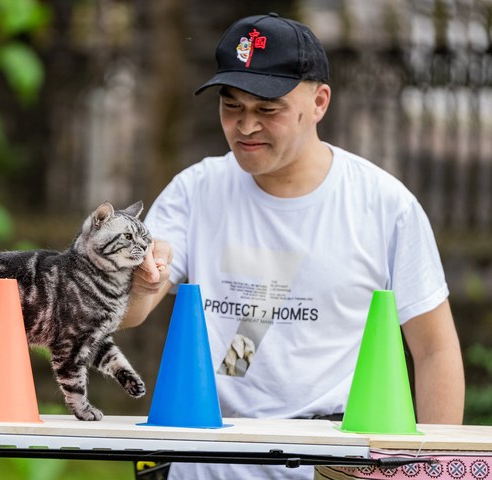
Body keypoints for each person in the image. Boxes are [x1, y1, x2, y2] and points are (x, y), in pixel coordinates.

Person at [123, 12, 465, 480]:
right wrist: (141, 278)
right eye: (232, 107)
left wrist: (434, 470)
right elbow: (131, 311)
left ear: (319, 102)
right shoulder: (195, 190)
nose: (245, 127)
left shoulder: (384, 205)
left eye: (268, 110)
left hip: (335, 463)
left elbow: (434, 350)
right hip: (204, 460)